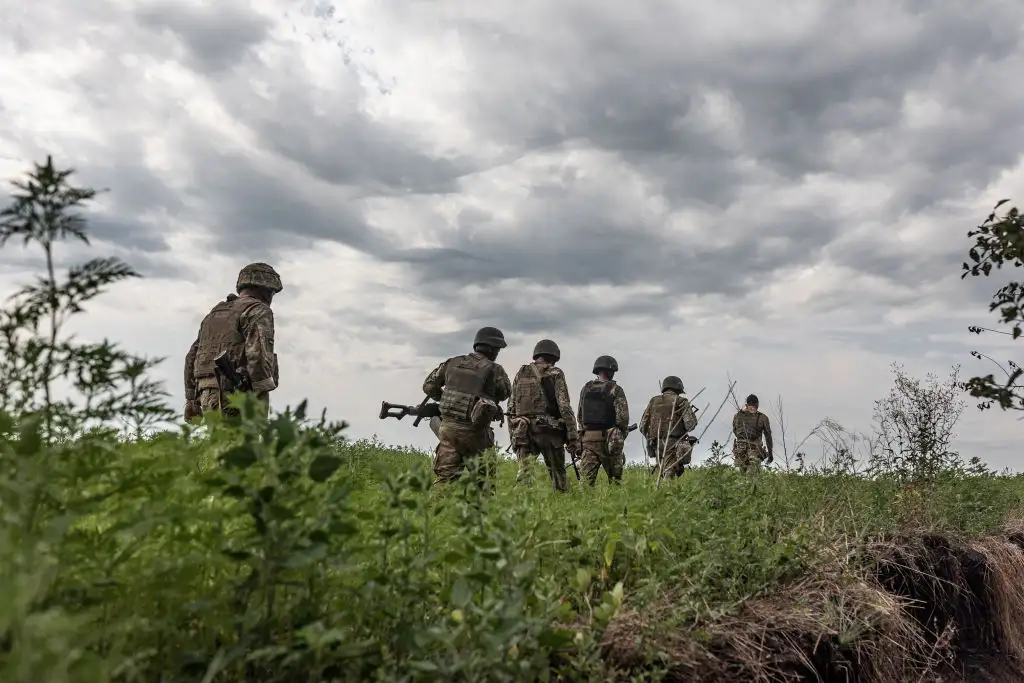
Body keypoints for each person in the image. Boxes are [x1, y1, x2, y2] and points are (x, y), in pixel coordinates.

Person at [184, 263, 281, 421]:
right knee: (243, 445)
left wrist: (191, 400)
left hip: (207, 395)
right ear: (266, 290)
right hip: (237, 397)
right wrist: (258, 399)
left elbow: (191, 356)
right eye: (271, 292)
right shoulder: (258, 310)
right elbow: (258, 356)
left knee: (219, 443)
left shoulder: (214, 314)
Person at [421, 326, 512, 490]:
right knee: (484, 482)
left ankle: (434, 513)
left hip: (447, 428)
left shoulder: (452, 362)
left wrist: (446, 400)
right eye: (497, 349)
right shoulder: (494, 369)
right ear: (492, 349)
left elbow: (428, 386)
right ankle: (481, 513)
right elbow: (505, 393)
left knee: (445, 479)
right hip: (475, 433)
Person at [508, 339, 581, 492]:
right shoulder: (555, 373)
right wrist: (573, 437)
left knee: (524, 475)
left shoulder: (520, 373)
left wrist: (514, 435)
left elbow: (511, 407)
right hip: (549, 431)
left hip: (523, 430)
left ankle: (517, 507)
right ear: (554, 357)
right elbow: (564, 406)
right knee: (558, 474)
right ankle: (561, 506)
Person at [577, 355, 630, 486]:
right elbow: (623, 418)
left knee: (585, 484)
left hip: (588, 440)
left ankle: (583, 506)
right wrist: (622, 434)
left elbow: (580, 416)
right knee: (616, 482)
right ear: (611, 372)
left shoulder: (586, 388)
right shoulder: (616, 389)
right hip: (609, 440)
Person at [639, 375, 698, 478]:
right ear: (678, 388)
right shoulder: (681, 401)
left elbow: (642, 426)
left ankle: (661, 492)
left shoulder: (653, 401)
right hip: (674, 444)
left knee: (662, 473)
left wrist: (651, 439)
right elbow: (690, 425)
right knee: (669, 477)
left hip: (656, 444)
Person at [732, 393, 773, 473]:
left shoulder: (737, 416)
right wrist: (770, 454)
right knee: (752, 479)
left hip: (739, 450)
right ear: (757, 405)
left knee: (738, 478)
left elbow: (735, 432)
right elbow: (768, 437)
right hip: (754, 451)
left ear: (746, 405)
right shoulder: (763, 418)